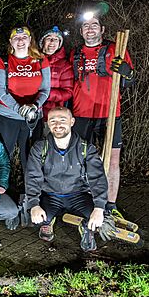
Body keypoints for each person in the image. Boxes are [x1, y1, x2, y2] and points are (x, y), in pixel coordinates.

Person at [70, 14, 134, 215]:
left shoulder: (116, 48)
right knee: (80, 160)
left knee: (113, 160)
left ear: (102, 29)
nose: (90, 29)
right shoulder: (75, 53)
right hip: (81, 114)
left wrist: (127, 72)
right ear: (81, 31)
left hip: (110, 113)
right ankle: (81, 200)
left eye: (94, 25)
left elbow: (130, 80)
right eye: (86, 26)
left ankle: (111, 205)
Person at [25, 106, 108, 252]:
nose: (58, 125)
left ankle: (87, 230)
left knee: (97, 219)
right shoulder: (39, 148)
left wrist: (100, 207)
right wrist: (33, 204)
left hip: (78, 195)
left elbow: (98, 177)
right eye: (53, 121)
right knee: (37, 218)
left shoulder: (86, 148)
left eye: (62, 120)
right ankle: (48, 222)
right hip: (50, 195)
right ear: (48, 123)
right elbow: (33, 177)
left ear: (72, 121)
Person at [0, 27, 50, 174]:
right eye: (16, 38)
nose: (20, 41)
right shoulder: (3, 62)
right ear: (11, 41)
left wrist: (35, 105)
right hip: (7, 116)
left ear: (30, 40)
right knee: (3, 157)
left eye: (24, 37)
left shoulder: (41, 60)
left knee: (32, 158)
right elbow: (0, 90)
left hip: (32, 117)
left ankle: (31, 193)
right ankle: (0, 191)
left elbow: (45, 90)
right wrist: (19, 108)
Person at [38, 26, 73, 123]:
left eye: (56, 39)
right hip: (30, 112)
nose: (52, 42)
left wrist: (44, 95)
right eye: (49, 38)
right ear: (42, 42)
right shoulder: (32, 60)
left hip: (51, 115)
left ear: (59, 44)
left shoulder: (64, 65)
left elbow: (68, 92)